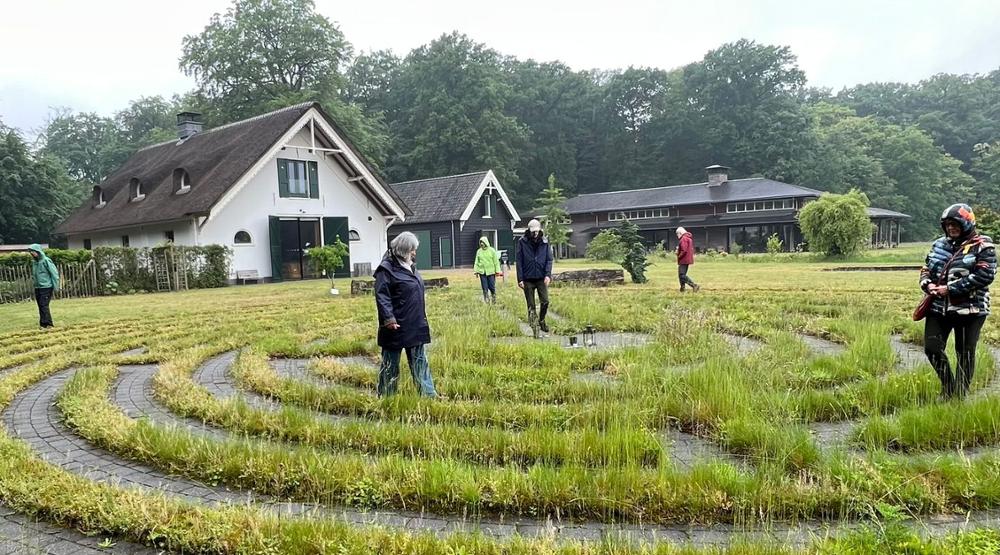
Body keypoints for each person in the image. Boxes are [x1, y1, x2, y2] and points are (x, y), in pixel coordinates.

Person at [920, 204, 996, 400]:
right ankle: (948, 387)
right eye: (947, 225)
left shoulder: (983, 245)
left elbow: (985, 274)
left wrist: (951, 288)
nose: (951, 228)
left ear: (966, 224)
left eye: (955, 224)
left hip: (970, 309)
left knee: (965, 353)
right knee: (932, 348)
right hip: (938, 307)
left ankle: (959, 397)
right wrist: (927, 284)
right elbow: (926, 268)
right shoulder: (938, 245)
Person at [373, 232, 438, 398]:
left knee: (420, 361)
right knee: (390, 364)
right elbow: (382, 296)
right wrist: (389, 319)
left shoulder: (410, 266)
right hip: (396, 326)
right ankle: (386, 396)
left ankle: (428, 395)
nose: (414, 253)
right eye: (412, 250)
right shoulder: (386, 270)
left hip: (415, 323)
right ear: (403, 250)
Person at [515, 219, 553, 338]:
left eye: (537, 231)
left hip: (541, 277)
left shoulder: (545, 242)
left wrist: (547, 275)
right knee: (531, 306)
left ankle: (541, 321)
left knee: (545, 301)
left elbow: (549, 260)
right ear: (529, 231)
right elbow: (519, 261)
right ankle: (535, 331)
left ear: (540, 230)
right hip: (527, 278)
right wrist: (520, 279)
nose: (535, 234)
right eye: (533, 232)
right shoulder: (522, 242)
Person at [28, 244, 59, 328]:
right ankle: (43, 324)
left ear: (38, 251)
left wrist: (56, 287)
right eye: (30, 251)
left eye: (33, 251)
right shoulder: (35, 262)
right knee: (40, 305)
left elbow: (54, 274)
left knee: (44, 305)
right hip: (38, 287)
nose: (32, 253)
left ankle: (49, 324)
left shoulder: (46, 260)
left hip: (46, 287)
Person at [473, 235, 501, 303]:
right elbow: (476, 262)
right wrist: (476, 271)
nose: (482, 244)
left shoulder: (492, 250)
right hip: (482, 272)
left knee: (492, 286)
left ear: (486, 242)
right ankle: (486, 300)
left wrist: (497, 271)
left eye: (483, 242)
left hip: (491, 272)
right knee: (484, 287)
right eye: (480, 242)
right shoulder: (479, 251)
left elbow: (496, 262)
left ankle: (494, 299)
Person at [675, 227, 700, 292]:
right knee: (681, 275)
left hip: (684, 259)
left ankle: (694, 285)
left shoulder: (683, 239)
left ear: (680, 233)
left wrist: (679, 255)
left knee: (682, 275)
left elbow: (684, 250)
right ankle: (682, 289)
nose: (677, 235)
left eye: (677, 234)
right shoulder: (688, 238)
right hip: (687, 259)